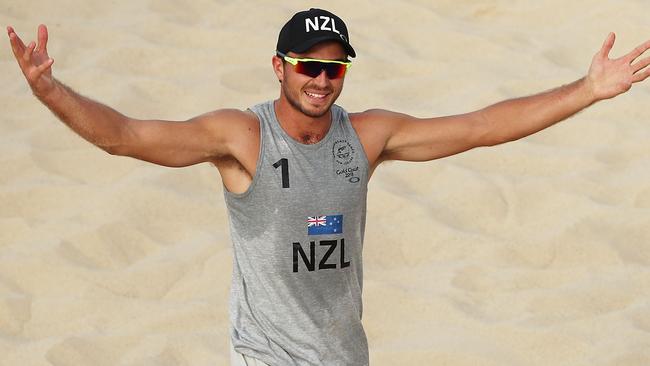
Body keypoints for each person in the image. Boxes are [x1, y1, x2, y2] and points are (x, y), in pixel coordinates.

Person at [7, 7, 650, 366]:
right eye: (309, 66)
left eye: (334, 68)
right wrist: (51, 91)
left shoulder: (365, 137)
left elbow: (480, 127)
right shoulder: (242, 138)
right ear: (280, 67)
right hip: (266, 357)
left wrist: (587, 90)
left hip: (345, 356)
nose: (322, 79)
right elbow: (125, 136)